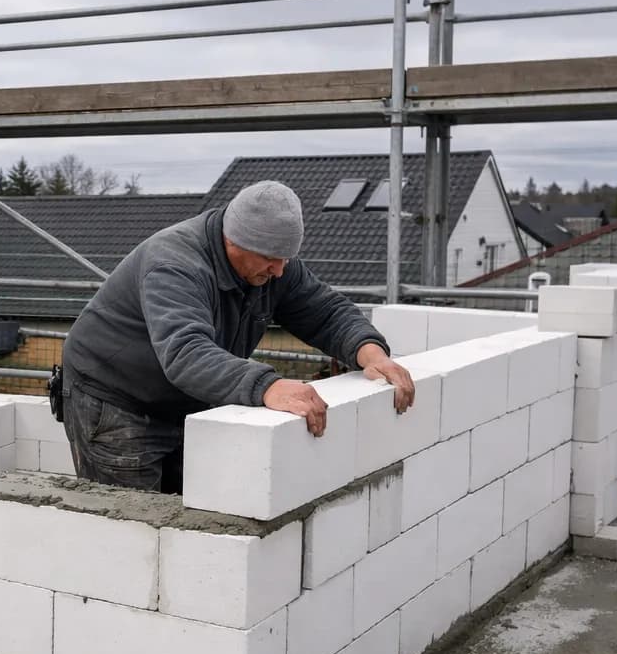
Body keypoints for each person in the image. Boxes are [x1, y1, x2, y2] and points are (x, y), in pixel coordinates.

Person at [61, 180, 415, 493]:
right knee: (132, 533)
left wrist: (370, 353)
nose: (278, 271)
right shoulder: (174, 263)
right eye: (269, 259)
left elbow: (325, 311)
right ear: (233, 241)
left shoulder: (274, 266)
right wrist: (268, 386)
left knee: (189, 517)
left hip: (182, 402)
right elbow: (186, 352)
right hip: (116, 401)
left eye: (285, 259)